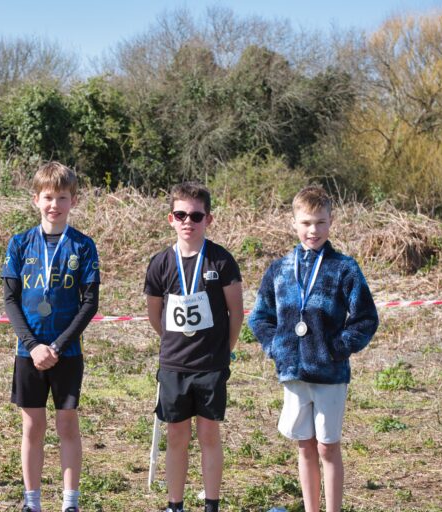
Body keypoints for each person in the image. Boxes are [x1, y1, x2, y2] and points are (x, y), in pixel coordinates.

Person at [248, 185, 379, 512]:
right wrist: (277, 347)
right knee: (304, 446)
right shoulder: (279, 269)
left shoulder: (344, 268)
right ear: (294, 223)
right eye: (306, 223)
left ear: (331, 221)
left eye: (320, 222)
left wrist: (337, 348)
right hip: (293, 374)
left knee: (327, 447)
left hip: (329, 374)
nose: (313, 230)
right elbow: (259, 316)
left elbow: (365, 318)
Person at [1, 161, 100, 512]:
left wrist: (57, 345)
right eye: (48, 197)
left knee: (67, 425)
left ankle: (70, 502)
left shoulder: (83, 246)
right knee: (32, 427)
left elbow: (90, 303)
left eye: (62, 197)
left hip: (66, 352)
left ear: (73, 201)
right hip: (28, 352)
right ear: (36, 200)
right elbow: (9, 300)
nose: (54, 205)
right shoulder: (19, 243)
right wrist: (33, 346)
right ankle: (32, 502)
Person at [144, 182, 244, 512]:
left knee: (208, 435)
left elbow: (236, 312)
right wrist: (174, 343)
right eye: (181, 215)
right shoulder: (160, 263)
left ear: (208, 219)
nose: (188, 221)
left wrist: (224, 351)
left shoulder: (221, 260)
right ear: (171, 219)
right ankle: (175, 504)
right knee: (176, 436)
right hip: (174, 365)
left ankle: (211, 504)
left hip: (210, 365)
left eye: (196, 216)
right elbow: (155, 315)